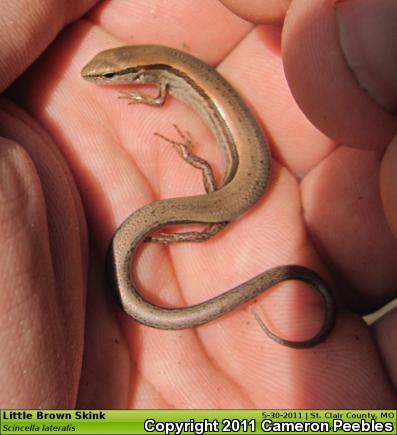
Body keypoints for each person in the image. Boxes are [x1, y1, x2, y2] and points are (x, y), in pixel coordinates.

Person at [1, 0, 396, 408]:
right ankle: (209, 233)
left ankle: (206, 230)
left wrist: (191, 165)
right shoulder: (164, 70)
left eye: (111, 76)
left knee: (211, 205)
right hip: (237, 177)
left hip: (243, 183)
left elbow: (158, 99)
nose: (101, 79)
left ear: (137, 72)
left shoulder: (162, 79)